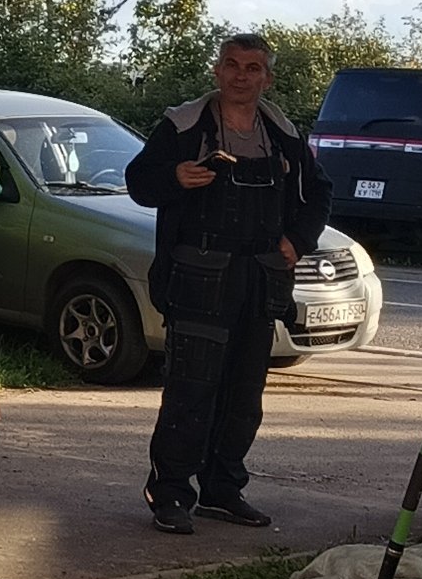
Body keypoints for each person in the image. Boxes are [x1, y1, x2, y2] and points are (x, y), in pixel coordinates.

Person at [123, 30, 330, 534]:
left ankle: (222, 491)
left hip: (259, 282)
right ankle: (171, 494)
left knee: (244, 396)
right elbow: (138, 182)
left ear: (267, 78)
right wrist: (175, 177)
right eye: (232, 65)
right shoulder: (182, 126)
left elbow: (320, 193)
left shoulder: (282, 133)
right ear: (217, 71)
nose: (241, 76)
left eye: (252, 68)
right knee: (190, 393)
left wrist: (298, 241)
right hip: (197, 280)